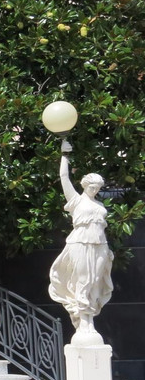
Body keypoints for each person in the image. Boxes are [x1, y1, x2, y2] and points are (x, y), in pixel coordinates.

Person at [48, 140, 113, 339]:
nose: (95, 190)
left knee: (95, 281)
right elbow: (64, 177)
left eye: (98, 187)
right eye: (92, 186)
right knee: (83, 280)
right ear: (85, 185)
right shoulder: (76, 200)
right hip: (80, 243)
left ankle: (89, 318)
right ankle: (84, 322)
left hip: (100, 244)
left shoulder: (100, 204)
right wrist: (64, 156)